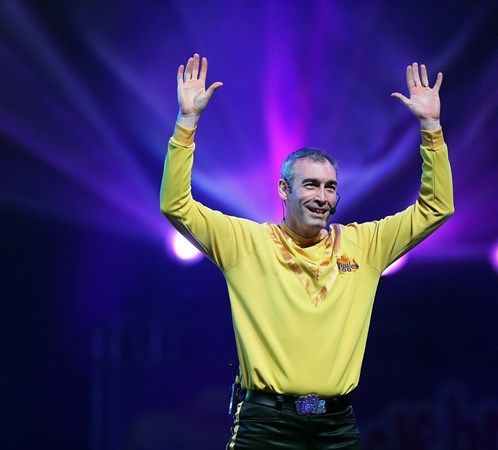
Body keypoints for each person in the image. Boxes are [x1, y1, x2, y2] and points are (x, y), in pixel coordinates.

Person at [160, 53, 454, 449]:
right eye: (311, 185)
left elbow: (437, 208)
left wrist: (431, 128)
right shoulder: (245, 243)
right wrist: (186, 124)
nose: (322, 197)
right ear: (284, 190)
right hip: (265, 425)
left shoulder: (363, 246)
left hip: (336, 426)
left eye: (330, 187)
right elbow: (175, 205)